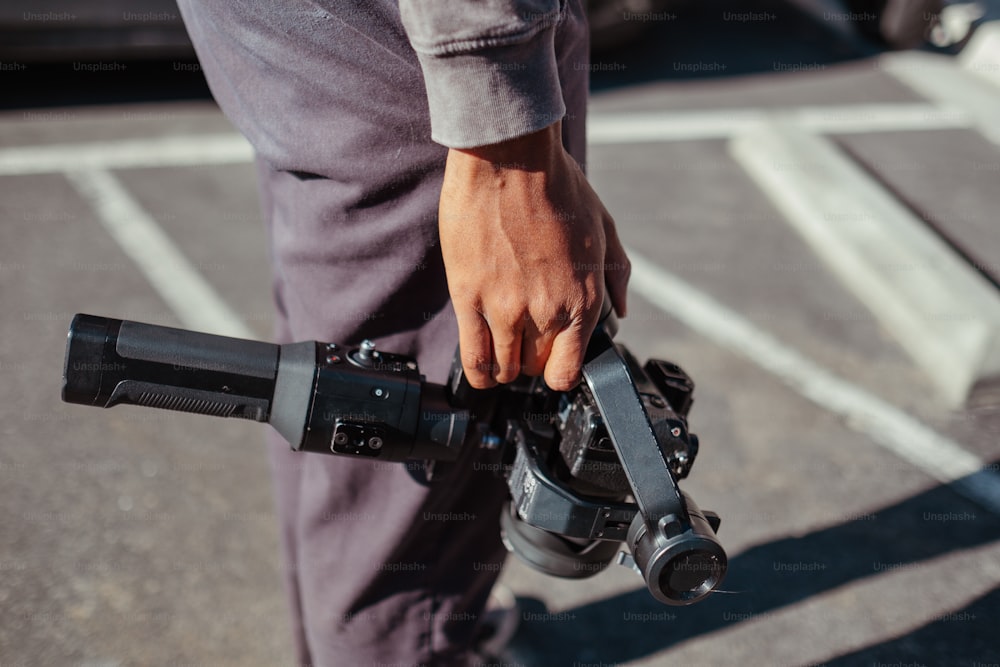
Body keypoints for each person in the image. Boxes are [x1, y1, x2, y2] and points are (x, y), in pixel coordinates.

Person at [175, 1, 631, 665]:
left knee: (340, 391)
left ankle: (377, 640)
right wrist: (505, 144)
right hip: (420, 42)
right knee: (420, 470)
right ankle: (406, 642)